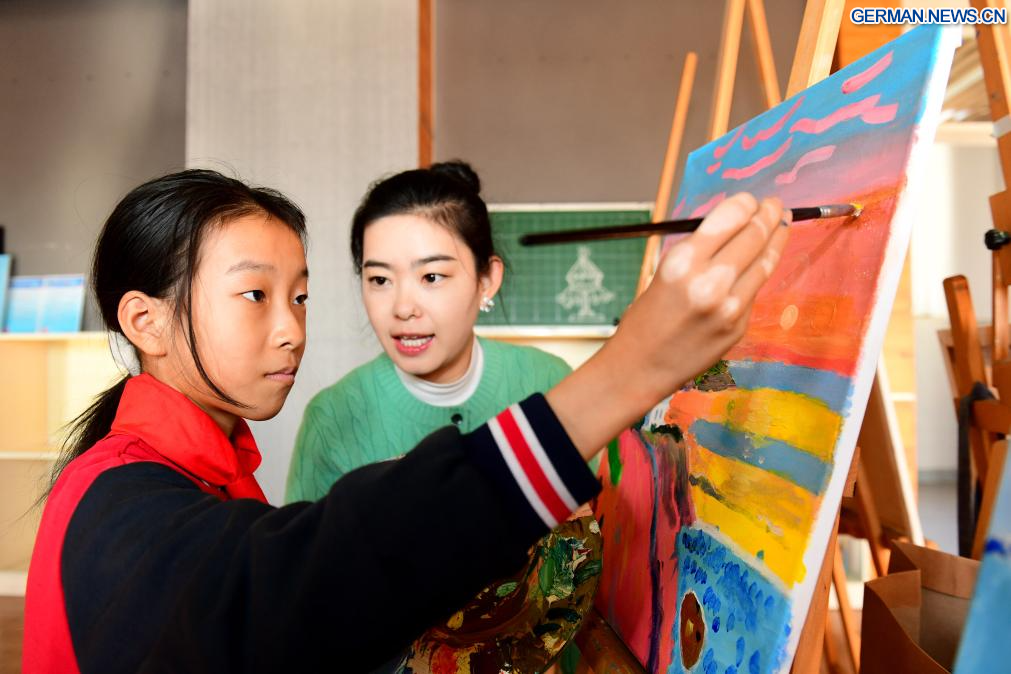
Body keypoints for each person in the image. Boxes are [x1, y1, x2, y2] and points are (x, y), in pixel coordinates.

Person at [22, 168, 788, 673]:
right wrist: (628, 371)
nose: (291, 330)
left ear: (486, 281)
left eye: (300, 297)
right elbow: (318, 575)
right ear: (146, 322)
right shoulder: (122, 498)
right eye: (256, 296)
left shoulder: (200, 469)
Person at [286, 161, 575, 502]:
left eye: (431, 277)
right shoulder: (331, 418)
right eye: (380, 280)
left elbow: (596, 523)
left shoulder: (549, 382)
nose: (403, 307)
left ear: (486, 280)